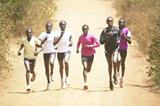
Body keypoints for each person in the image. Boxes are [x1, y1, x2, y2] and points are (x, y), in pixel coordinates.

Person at [76, 24, 100, 90]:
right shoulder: (81, 37)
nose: (84, 30)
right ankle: (85, 83)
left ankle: (88, 70)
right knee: (84, 67)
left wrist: (91, 46)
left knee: (88, 69)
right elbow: (78, 43)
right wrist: (77, 49)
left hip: (91, 55)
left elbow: (98, 44)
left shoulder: (92, 36)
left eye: (85, 29)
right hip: (83, 54)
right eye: (83, 29)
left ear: (88, 29)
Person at [18, 28, 41, 92]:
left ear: (32, 33)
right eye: (27, 33)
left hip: (33, 58)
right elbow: (22, 45)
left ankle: (34, 73)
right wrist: (19, 51)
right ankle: (28, 86)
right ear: (26, 34)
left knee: (31, 70)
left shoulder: (35, 40)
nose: (29, 34)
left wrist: (37, 52)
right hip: (26, 57)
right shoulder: (24, 40)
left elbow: (41, 47)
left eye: (30, 32)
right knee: (28, 70)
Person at [100, 17, 119, 90]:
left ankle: (115, 75)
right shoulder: (105, 31)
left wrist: (119, 40)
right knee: (110, 65)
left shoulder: (117, 29)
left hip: (115, 49)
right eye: (108, 21)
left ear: (113, 21)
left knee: (115, 61)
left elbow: (121, 36)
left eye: (111, 21)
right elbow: (101, 42)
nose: (110, 23)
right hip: (107, 50)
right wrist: (108, 37)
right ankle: (110, 80)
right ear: (106, 22)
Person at [53, 20, 72, 88]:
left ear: (66, 25)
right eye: (61, 25)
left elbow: (70, 40)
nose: (62, 26)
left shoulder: (69, 32)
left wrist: (70, 43)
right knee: (61, 67)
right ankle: (62, 81)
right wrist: (60, 36)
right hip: (59, 51)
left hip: (67, 50)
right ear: (59, 25)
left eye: (64, 24)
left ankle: (67, 77)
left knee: (66, 61)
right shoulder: (56, 33)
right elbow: (54, 43)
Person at [39, 22, 56, 90]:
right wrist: (45, 39)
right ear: (45, 27)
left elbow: (56, 41)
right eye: (47, 26)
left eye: (50, 26)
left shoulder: (54, 34)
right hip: (45, 53)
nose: (48, 27)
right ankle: (48, 83)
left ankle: (52, 73)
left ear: (51, 27)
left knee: (51, 62)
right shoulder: (43, 34)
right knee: (46, 69)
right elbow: (39, 44)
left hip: (53, 52)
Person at [117, 19, 132, 88]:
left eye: (122, 23)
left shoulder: (127, 30)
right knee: (117, 60)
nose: (121, 24)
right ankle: (117, 72)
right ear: (118, 23)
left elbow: (130, 41)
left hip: (124, 49)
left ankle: (122, 78)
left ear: (124, 23)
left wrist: (124, 36)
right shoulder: (117, 30)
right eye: (120, 22)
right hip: (117, 49)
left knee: (122, 63)